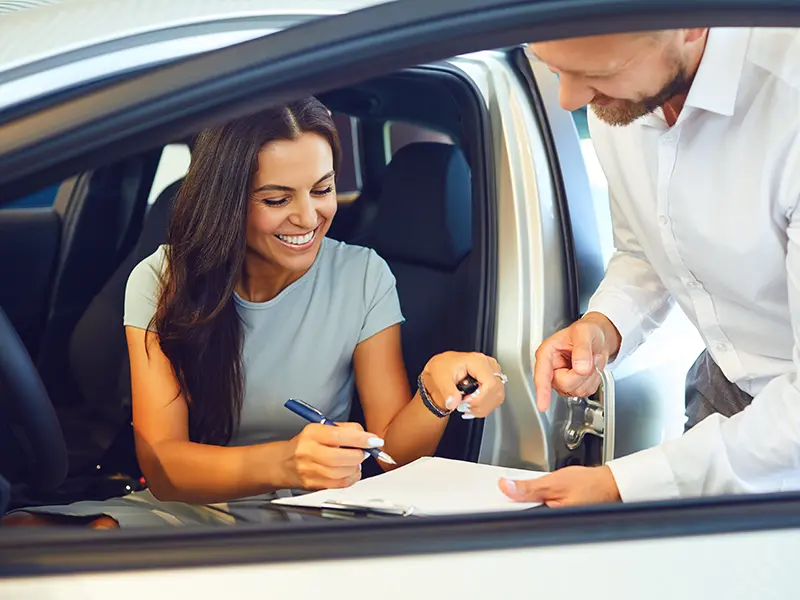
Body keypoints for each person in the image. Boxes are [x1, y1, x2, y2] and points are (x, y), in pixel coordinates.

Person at [4, 97, 506, 528]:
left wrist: (435, 392)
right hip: (191, 506)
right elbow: (165, 468)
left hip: (315, 514)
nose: (309, 217)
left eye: (323, 189)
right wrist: (287, 461)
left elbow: (393, 458)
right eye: (276, 198)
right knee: (22, 533)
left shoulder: (363, 276)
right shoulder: (163, 279)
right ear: (227, 202)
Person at [499, 27, 800, 507]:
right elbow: (645, 248)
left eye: (597, 72)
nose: (570, 98)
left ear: (691, 27)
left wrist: (622, 485)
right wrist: (604, 325)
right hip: (721, 388)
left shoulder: (789, 105)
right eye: (555, 70)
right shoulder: (617, 100)